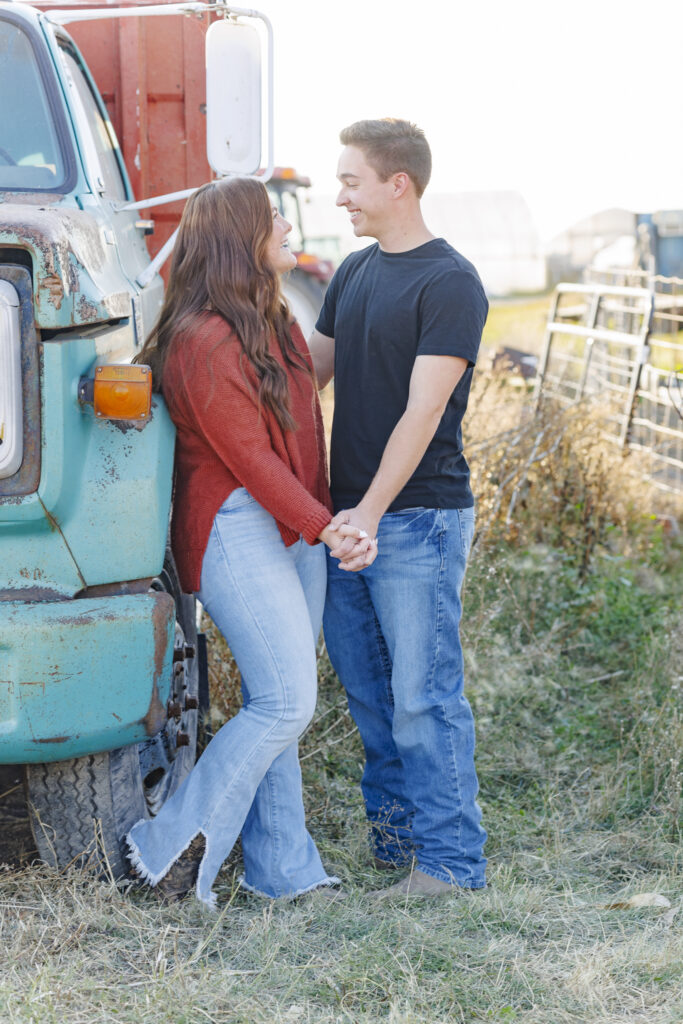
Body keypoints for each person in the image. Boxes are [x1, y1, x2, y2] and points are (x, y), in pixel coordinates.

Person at [126, 176, 372, 909]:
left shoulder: (272, 318)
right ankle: (165, 843)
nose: (288, 228)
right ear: (242, 237)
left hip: (292, 521)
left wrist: (318, 517)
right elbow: (247, 457)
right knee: (287, 702)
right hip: (237, 525)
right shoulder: (200, 339)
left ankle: (282, 873)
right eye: (274, 220)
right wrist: (323, 525)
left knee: (278, 700)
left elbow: (301, 432)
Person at [309, 118, 488, 897]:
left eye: (350, 180)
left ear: (396, 184)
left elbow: (422, 414)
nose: (339, 194)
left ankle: (450, 866)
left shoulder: (448, 282)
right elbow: (306, 375)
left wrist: (369, 515)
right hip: (345, 519)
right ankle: (398, 849)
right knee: (370, 697)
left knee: (422, 699)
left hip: (413, 519)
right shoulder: (351, 273)